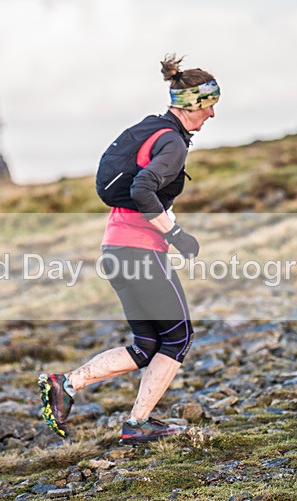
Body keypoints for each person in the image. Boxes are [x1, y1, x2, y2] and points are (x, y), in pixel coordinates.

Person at [39, 54, 220, 445]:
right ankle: (137, 424)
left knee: (147, 345)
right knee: (179, 337)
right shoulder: (172, 142)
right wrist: (177, 234)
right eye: (209, 106)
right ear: (193, 104)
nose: (212, 115)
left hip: (116, 251)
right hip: (141, 253)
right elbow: (141, 189)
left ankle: (66, 384)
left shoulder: (151, 129)